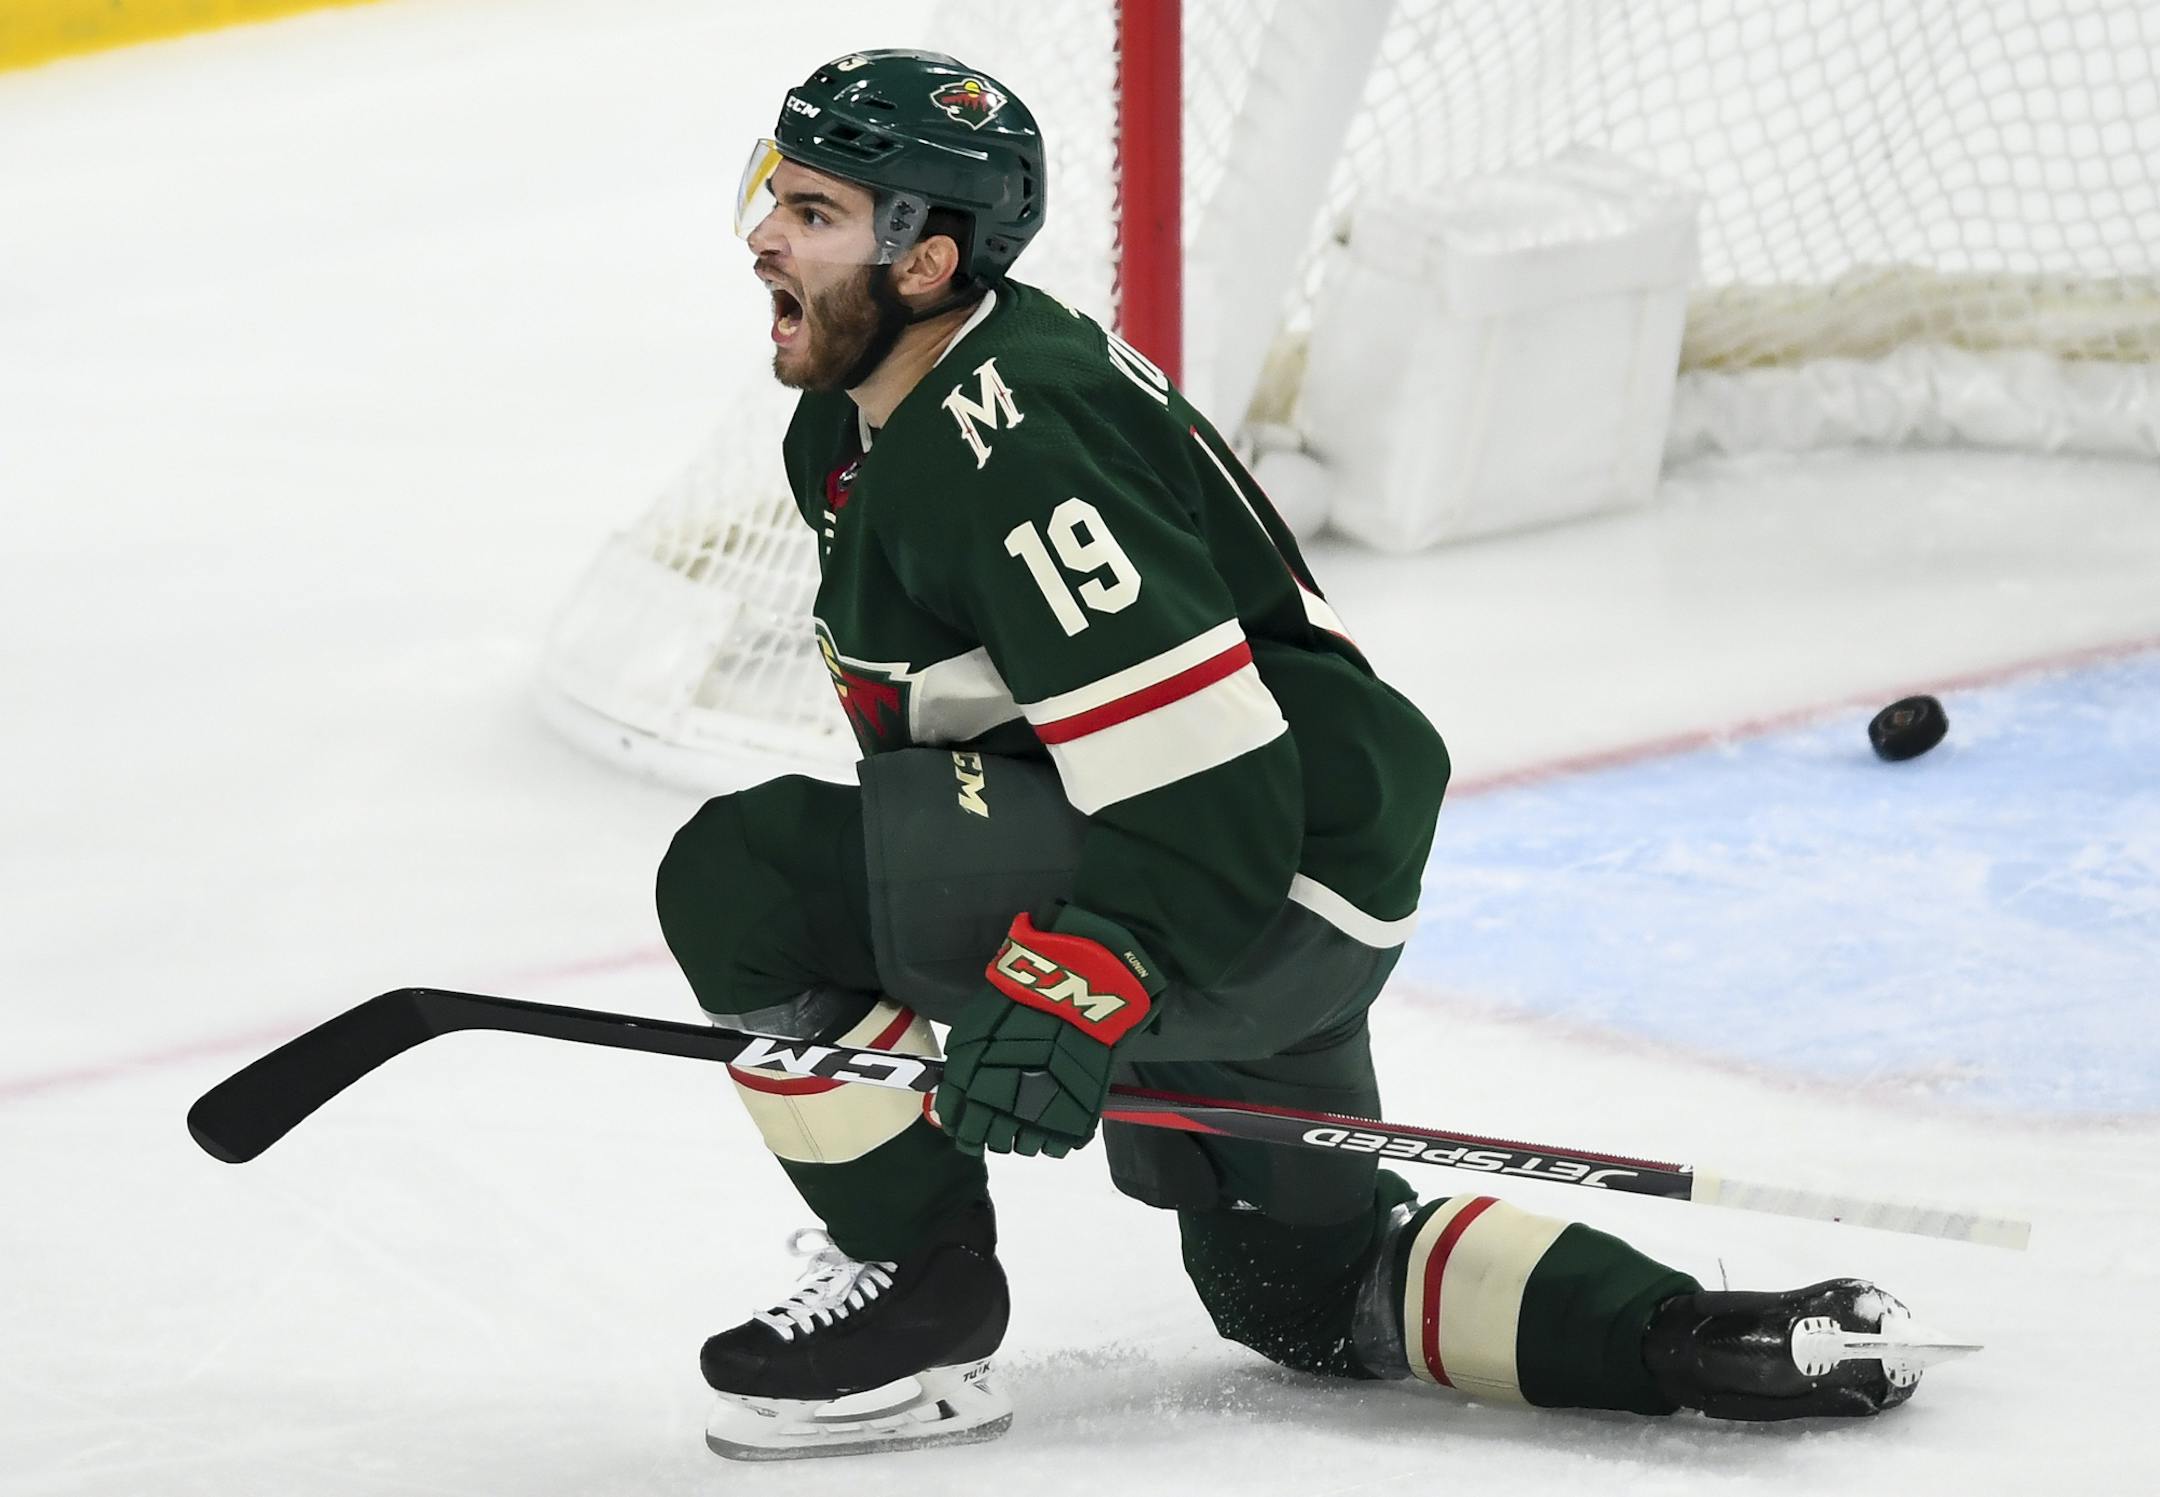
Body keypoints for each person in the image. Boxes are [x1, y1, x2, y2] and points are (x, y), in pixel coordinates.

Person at [657, 49, 1923, 1461]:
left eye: (816, 211)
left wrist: (1089, 969)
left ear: (925, 257)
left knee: (747, 874)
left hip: (1236, 868)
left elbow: (1205, 773)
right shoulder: (856, 421)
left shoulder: (1006, 440)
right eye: (776, 188)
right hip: (1283, 865)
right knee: (1301, 1289)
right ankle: (1690, 1335)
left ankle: (923, 1291)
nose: (765, 230)